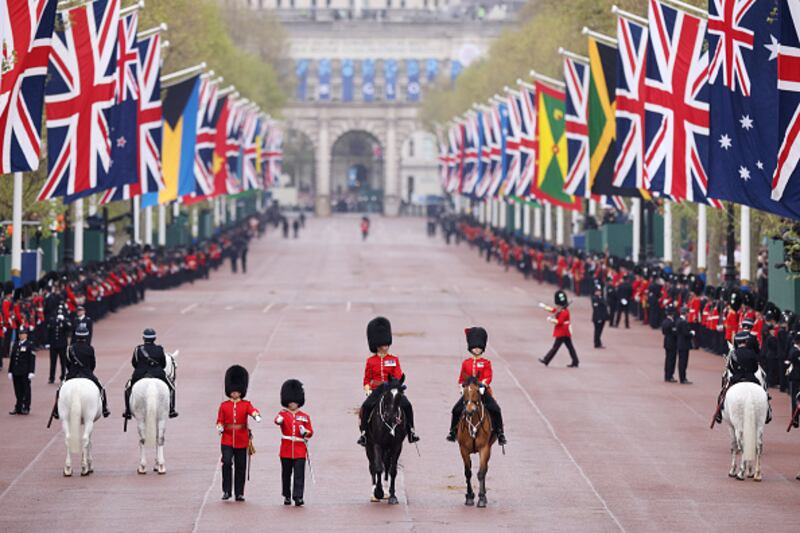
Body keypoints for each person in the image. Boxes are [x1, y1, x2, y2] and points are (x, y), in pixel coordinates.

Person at [357, 316, 420, 446]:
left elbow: (397, 374)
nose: (385, 346)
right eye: (383, 344)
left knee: (407, 405)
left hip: (391, 389)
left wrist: (396, 384)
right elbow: (367, 379)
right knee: (366, 407)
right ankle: (364, 433)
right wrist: (367, 389)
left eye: (386, 344)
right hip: (376, 390)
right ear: (377, 345)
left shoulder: (393, 359)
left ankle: (411, 431)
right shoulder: (371, 361)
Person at [446, 327, 506, 445]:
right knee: (456, 409)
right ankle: (453, 432)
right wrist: (462, 387)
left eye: (479, 347)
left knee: (495, 409)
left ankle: (500, 433)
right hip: (469, 392)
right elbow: (461, 378)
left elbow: (488, 376)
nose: (477, 349)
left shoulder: (486, 362)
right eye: (475, 347)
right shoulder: (466, 363)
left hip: (482, 391)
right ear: (470, 348)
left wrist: (483, 384)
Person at [216, 365, 262, 502]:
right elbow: (220, 420)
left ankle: (239, 493)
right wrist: (219, 427)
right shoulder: (224, 405)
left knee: (240, 466)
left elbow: (252, 410)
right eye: (233, 391)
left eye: (237, 391)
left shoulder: (246, 404)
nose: (235, 394)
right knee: (227, 462)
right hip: (227, 438)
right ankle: (226, 490)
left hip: (242, 438)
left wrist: (256, 415)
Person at [50, 324, 110, 419]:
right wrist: (88, 371)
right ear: (86, 336)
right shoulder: (90, 349)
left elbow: (67, 363)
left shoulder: (70, 348)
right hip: (87, 373)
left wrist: (72, 370)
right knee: (101, 388)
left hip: (73, 373)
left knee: (60, 389)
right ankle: (105, 409)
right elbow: (92, 364)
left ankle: (56, 411)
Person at [714, 331, 772, 424]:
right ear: (746, 342)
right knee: (764, 392)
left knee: (722, 394)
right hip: (751, 378)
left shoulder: (733, 353)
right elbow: (755, 368)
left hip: (736, 378)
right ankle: (768, 412)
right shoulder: (752, 353)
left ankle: (719, 414)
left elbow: (731, 368)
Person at [122, 328, 178, 420]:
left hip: (140, 374)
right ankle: (172, 409)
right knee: (172, 387)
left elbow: (134, 363)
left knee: (127, 388)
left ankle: (127, 411)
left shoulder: (138, 349)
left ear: (143, 338)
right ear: (154, 338)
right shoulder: (160, 349)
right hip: (158, 373)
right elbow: (163, 364)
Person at [274, 379, 313, 506]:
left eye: (294, 401)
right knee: (286, 474)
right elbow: (277, 420)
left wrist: (305, 432)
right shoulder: (283, 414)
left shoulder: (305, 416)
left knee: (299, 474)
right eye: (290, 401)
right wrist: (279, 420)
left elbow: (310, 432)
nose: (292, 404)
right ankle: (286, 495)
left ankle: (298, 496)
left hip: (299, 449)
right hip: (286, 449)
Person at [538, 290, 579, 368]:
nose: (557, 306)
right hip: (564, 331)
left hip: (563, 332)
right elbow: (553, 310)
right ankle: (575, 361)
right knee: (570, 347)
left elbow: (559, 322)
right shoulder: (561, 310)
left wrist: (551, 320)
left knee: (555, 347)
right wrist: (544, 307)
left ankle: (546, 360)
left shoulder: (564, 312)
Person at [8, 325, 35, 415]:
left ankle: (26, 407)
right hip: (16, 371)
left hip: (25, 372)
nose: (21, 335)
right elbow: (12, 359)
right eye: (20, 334)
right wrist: (10, 371)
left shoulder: (30, 345)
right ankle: (18, 407)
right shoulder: (16, 344)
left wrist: (31, 371)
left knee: (26, 390)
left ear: (26, 335)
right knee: (17, 390)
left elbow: (32, 360)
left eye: (23, 334)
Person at [47, 303, 71, 384]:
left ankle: (63, 376)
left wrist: (63, 320)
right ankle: (51, 377)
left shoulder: (65, 319)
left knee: (63, 362)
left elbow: (69, 329)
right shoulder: (52, 319)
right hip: (53, 344)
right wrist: (48, 342)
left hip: (62, 344)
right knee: (53, 362)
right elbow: (49, 330)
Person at [676, 306, 695, 384]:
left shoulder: (678, 320)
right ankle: (683, 378)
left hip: (680, 343)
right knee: (683, 362)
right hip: (684, 344)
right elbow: (686, 333)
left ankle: (682, 377)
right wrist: (692, 333)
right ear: (686, 313)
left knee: (682, 361)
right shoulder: (683, 322)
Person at [661, 304, 678, 382]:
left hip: (666, 342)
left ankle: (667, 375)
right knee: (671, 360)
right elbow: (674, 332)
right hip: (672, 343)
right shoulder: (671, 323)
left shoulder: (665, 321)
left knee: (668, 359)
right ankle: (669, 376)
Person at [787, 331, 800, 428]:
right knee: (795, 398)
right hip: (796, 377)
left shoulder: (794, 350)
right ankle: (795, 418)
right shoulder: (795, 351)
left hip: (796, 376)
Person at [591, 283, 609, 348]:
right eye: (597, 291)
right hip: (597, 317)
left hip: (602, 317)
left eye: (599, 291)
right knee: (597, 331)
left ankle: (598, 342)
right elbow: (596, 309)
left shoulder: (601, 297)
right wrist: (599, 318)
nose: (599, 292)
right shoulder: (594, 298)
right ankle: (597, 343)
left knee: (600, 331)